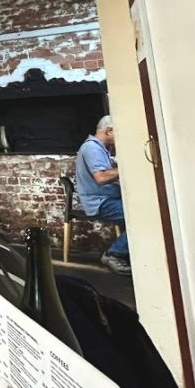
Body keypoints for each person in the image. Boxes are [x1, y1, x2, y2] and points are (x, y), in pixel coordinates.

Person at [75, 115, 130, 275]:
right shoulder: (92, 148)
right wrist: (127, 167)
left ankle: (127, 253)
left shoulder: (99, 148)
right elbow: (101, 177)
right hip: (100, 202)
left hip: (106, 199)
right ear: (109, 131)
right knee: (140, 217)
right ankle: (114, 254)